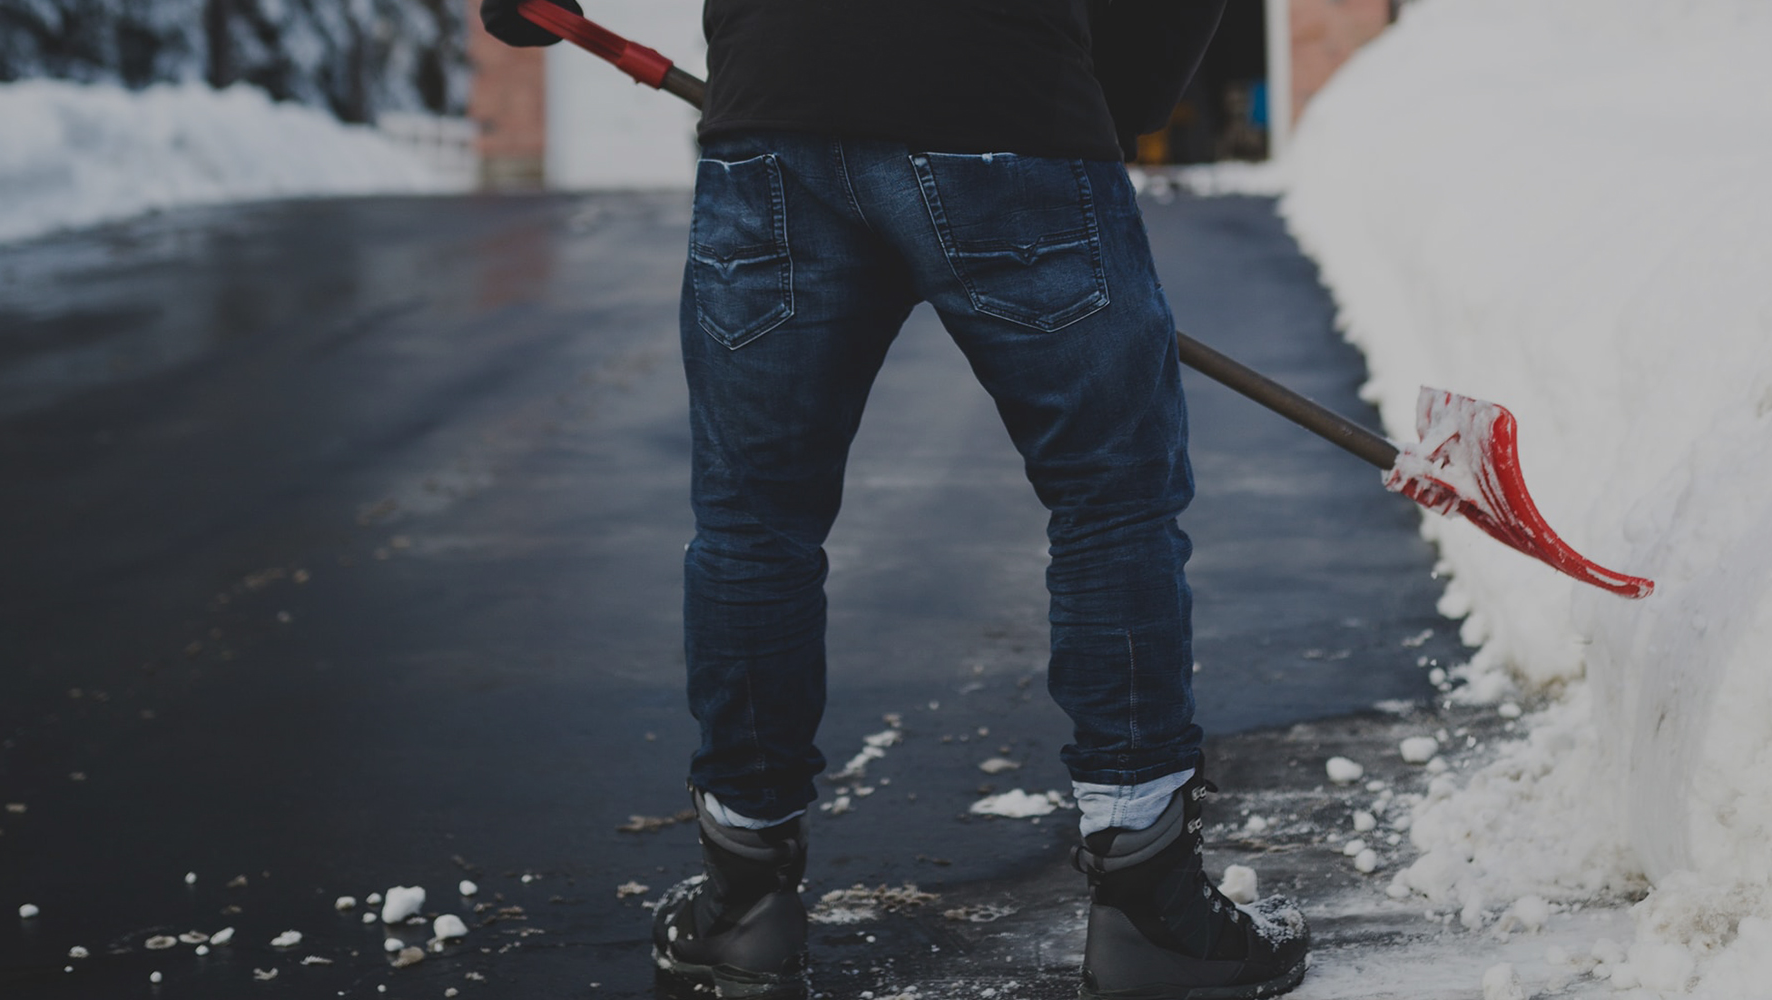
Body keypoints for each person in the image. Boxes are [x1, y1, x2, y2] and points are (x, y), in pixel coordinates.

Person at [481, 2, 1312, 997]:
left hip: (777, 107)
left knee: (755, 522)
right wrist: (1106, 97)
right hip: (1004, 102)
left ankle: (742, 904)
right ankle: (1148, 907)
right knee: (1109, 503)